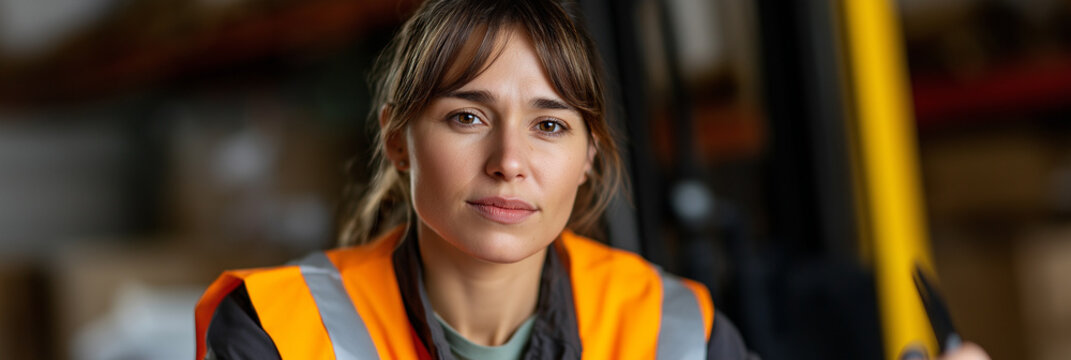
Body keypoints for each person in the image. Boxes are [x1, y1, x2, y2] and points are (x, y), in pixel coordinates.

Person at [193, 0, 990, 359]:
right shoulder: (278, 331)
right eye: (467, 117)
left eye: (549, 125)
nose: (510, 159)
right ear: (399, 142)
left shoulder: (670, 331)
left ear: (587, 159)